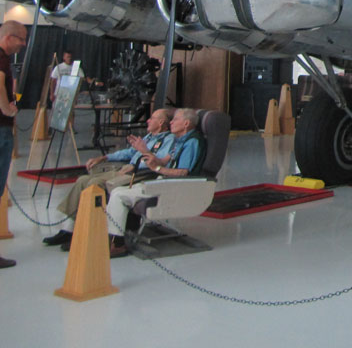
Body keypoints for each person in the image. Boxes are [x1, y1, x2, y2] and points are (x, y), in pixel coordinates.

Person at [41, 107, 174, 250]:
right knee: (82, 181)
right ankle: (68, 230)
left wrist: (140, 158)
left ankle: (90, 231)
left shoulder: (169, 139)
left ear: (161, 122)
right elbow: (128, 152)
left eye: (152, 118)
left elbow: (161, 162)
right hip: (125, 170)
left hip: (142, 174)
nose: (148, 120)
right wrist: (104, 157)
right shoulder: (149, 137)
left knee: (94, 184)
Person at [107, 108, 206, 257]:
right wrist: (145, 151)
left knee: (118, 195)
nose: (171, 122)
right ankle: (114, 238)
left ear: (186, 123)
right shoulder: (179, 140)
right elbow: (163, 161)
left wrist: (157, 168)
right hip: (163, 181)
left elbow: (183, 172)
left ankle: (117, 243)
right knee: (117, 191)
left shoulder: (191, 143)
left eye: (175, 120)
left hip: (175, 186)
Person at [0, 20, 29, 269]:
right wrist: (7, 108)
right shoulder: (1, 58)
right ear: (9, 37)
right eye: (21, 39)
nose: (23, 44)